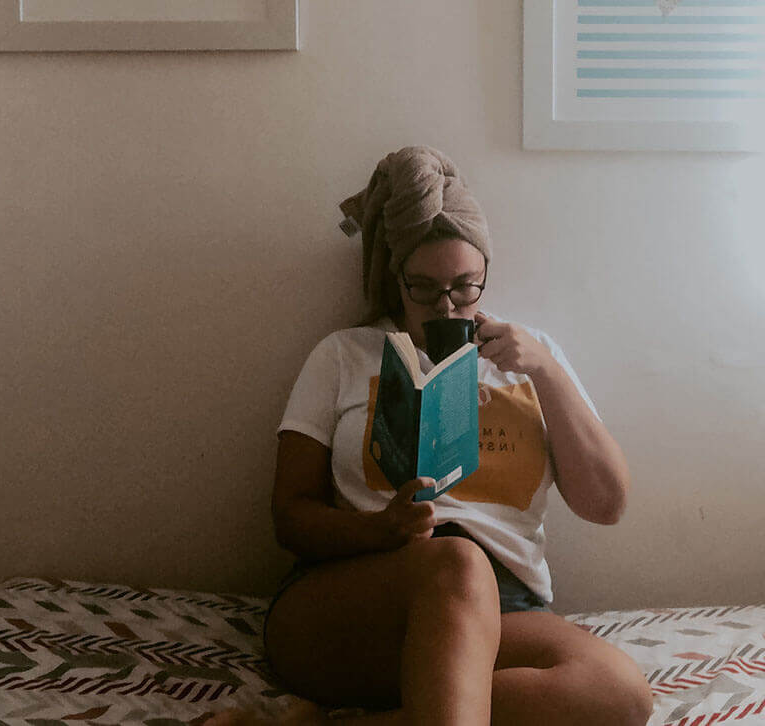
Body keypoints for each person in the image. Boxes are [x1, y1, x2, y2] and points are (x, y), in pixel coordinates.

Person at [207, 146, 653, 725]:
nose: (447, 306)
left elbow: (606, 503)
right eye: (423, 289)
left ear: (485, 275)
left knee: (619, 693)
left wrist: (543, 370)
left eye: (465, 286)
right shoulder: (344, 355)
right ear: (395, 281)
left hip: (504, 611)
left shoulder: (533, 355)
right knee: (457, 564)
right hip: (357, 602)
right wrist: (380, 528)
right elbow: (289, 516)